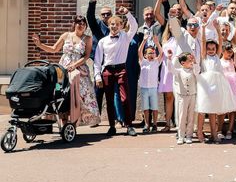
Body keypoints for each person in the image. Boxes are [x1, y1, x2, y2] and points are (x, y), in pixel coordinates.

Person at [32, 15, 100, 127]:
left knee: (79, 95)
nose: (81, 25)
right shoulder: (66, 35)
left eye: (83, 24)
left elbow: (87, 56)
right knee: (62, 92)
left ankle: (75, 120)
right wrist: (40, 44)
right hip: (63, 68)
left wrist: (74, 65)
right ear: (74, 24)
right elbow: (54, 49)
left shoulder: (87, 38)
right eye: (79, 23)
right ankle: (63, 119)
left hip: (79, 69)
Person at [93, 7, 139, 136]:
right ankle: (112, 126)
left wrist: (127, 13)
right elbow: (97, 60)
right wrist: (97, 76)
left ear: (121, 26)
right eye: (112, 24)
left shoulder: (125, 37)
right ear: (109, 25)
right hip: (107, 71)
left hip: (121, 70)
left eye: (117, 24)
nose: (114, 26)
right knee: (109, 100)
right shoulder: (103, 41)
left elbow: (134, 26)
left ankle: (129, 125)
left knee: (125, 98)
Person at [197, 19, 236, 143]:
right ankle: (200, 131)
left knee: (213, 110)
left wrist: (216, 29)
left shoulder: (217, 55)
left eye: (213, 48)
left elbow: (220, 42)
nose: (211, 50)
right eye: (209, 48)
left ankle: (214, 133)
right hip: (205, 84)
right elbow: (203, 41)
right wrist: (204, 29)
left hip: (216, 84)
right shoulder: (204, 56)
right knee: (203, 108)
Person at [167, 51, 199, 145]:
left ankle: (189, 135)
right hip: (182, 96)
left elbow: (197, 71)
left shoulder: (193, 69)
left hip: (192, 95)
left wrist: (195, 61)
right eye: (189, 60)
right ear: (183, 63)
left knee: (191, 116)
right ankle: (181, 135)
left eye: (191, 60)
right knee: (182, 116)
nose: (191, 62)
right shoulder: (179, 71)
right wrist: (169, 59)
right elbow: (170, 69)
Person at [138, 34, 163, 133]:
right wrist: (144, 41)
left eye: (153, 53)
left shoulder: (156, 62)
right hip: (144, 88)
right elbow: (139, 51)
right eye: (149, 53)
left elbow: (161, 53)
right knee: (146, 108)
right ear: (145, 55)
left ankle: (155, 124)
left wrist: (157, 43)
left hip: (153, 88)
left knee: (154, 108)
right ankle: (147, 124)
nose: (151, 55)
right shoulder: (143, 62)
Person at [220, 41, 236, 139]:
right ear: (223, 51)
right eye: (228, 52)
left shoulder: (232, 61)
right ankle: (219, 129)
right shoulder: (219, 61)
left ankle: (230, 130)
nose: (230, 54)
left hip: (233, 87)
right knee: (222, 109)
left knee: (232, 110)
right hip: (224, 86)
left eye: (231, 52)